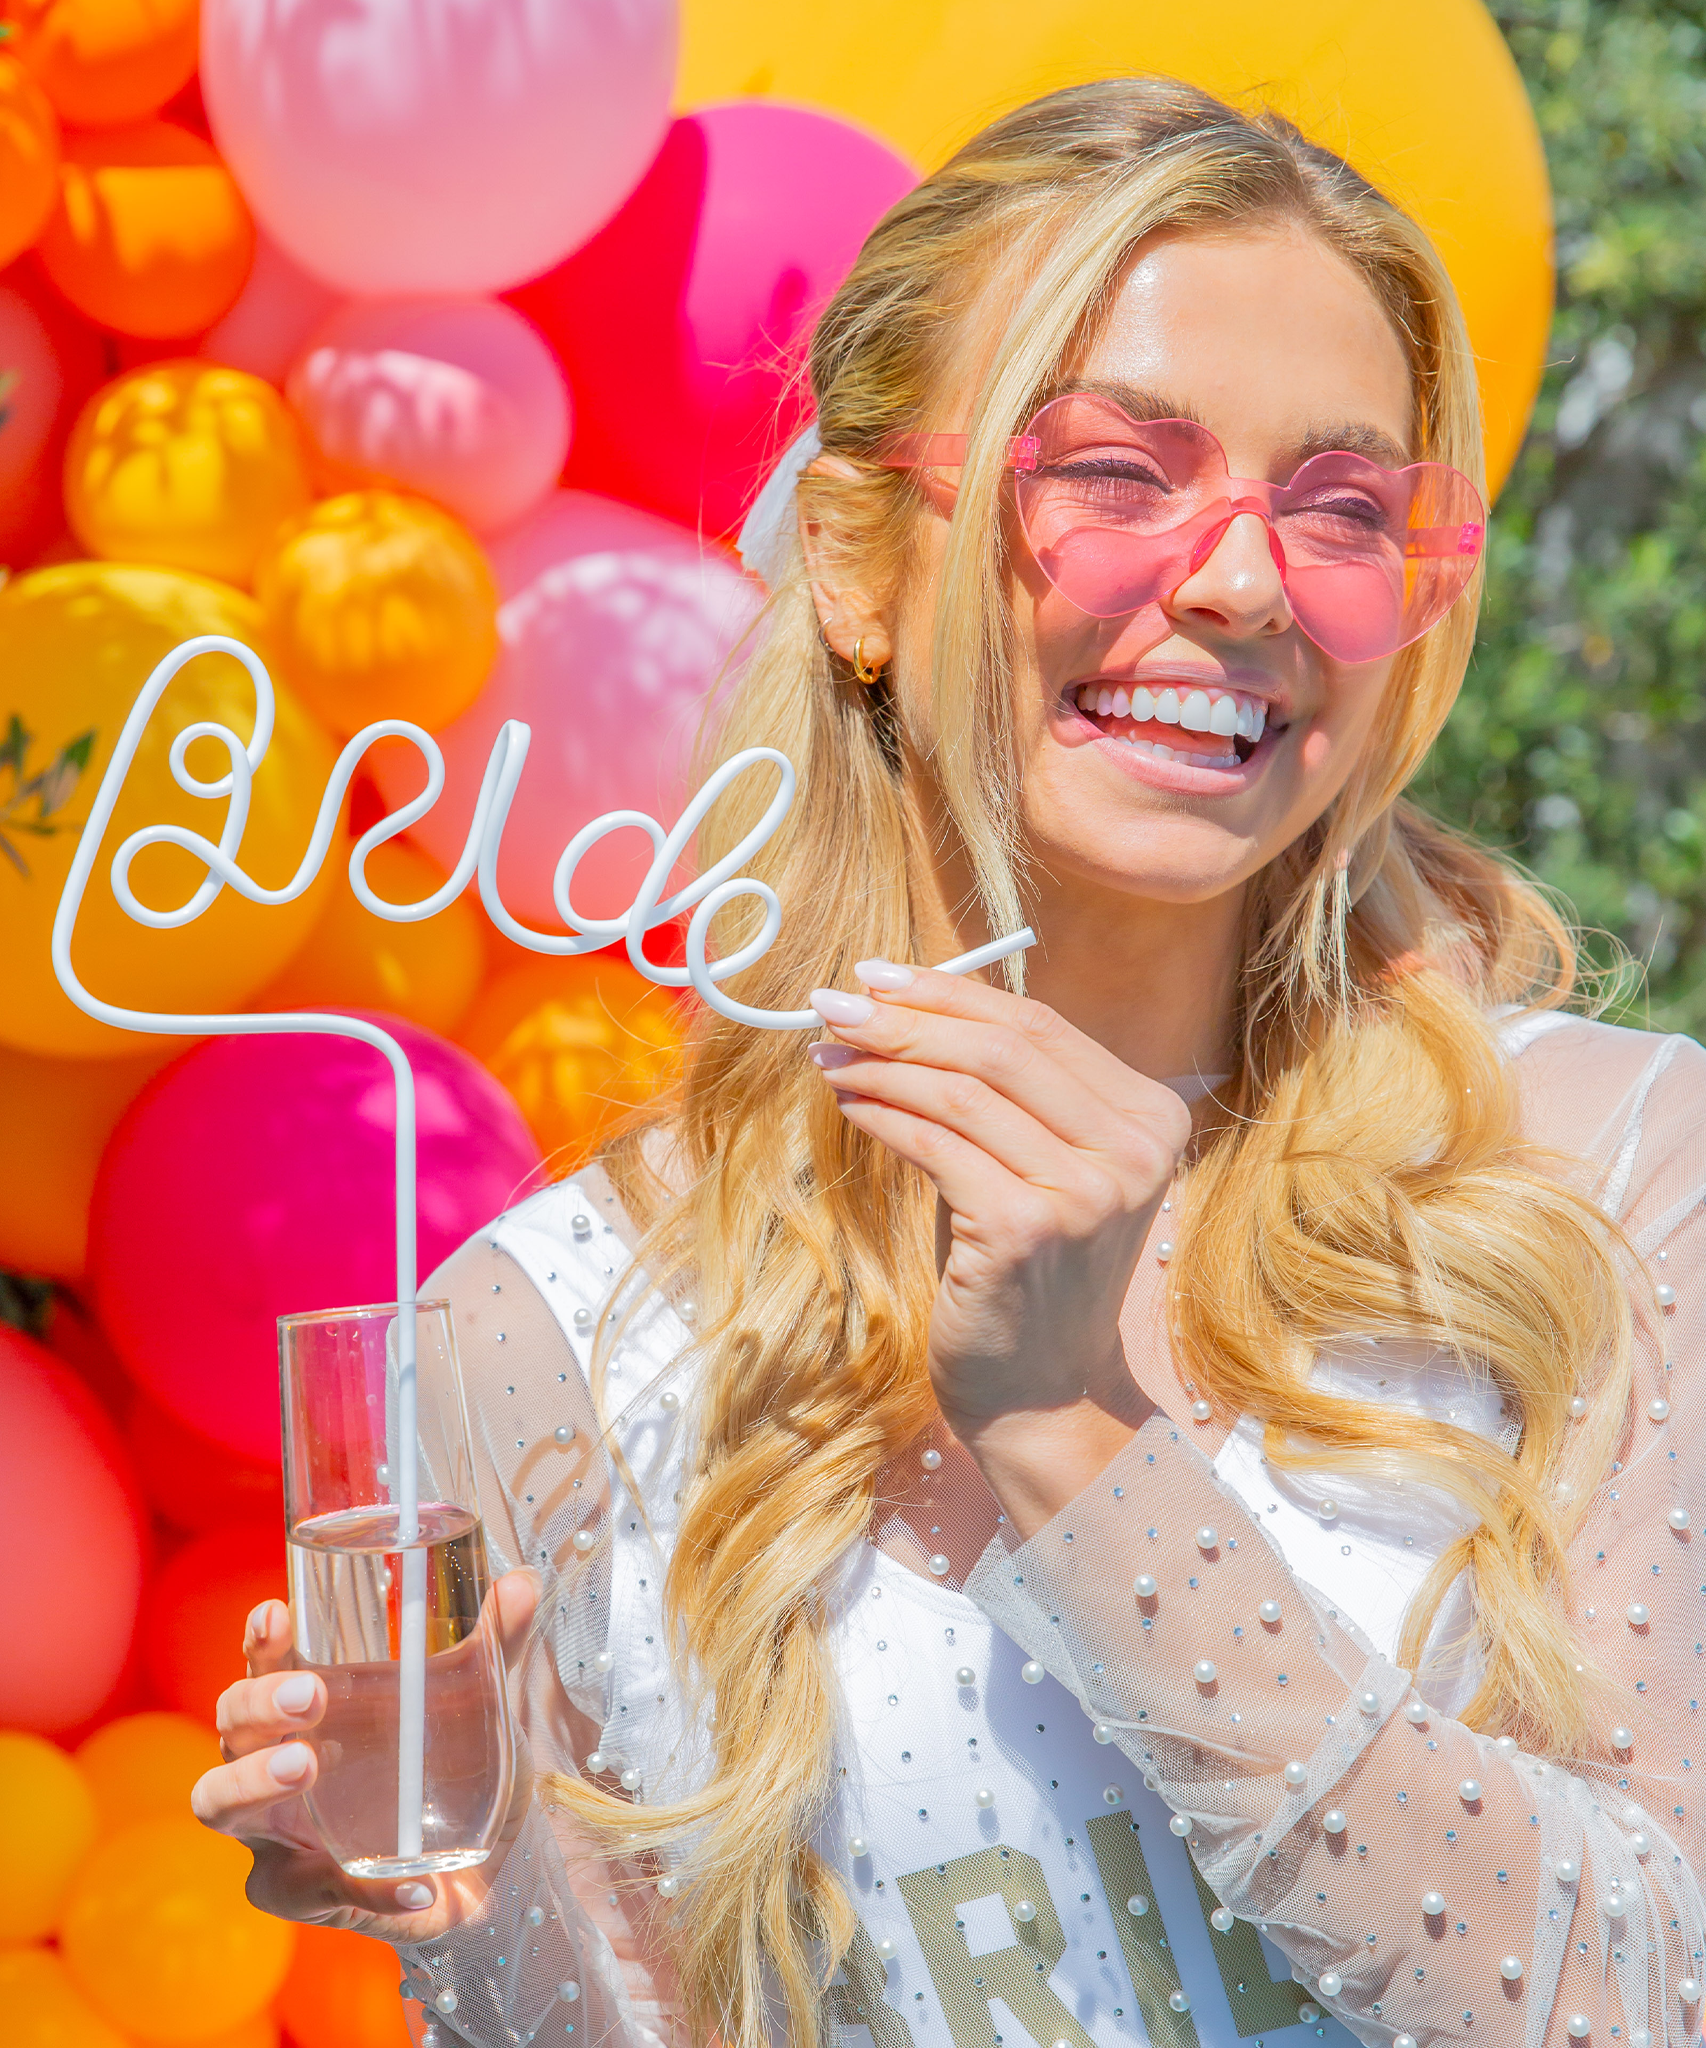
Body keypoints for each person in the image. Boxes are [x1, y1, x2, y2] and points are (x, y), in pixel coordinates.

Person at [193, 78, 1706, 2048]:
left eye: (1340, 509)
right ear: (856, 563)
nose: (1243, 586)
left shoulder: (1606, 1174)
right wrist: (464, 1888)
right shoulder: (552, 1323)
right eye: (1115, 474)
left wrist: (1075, 1438)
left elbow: (1649, 1985)